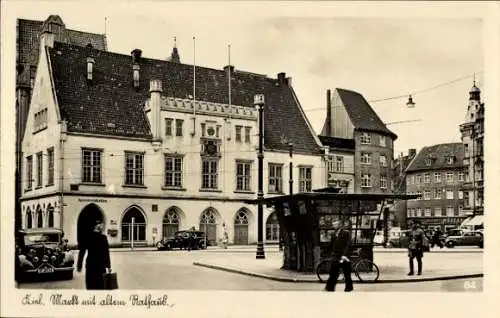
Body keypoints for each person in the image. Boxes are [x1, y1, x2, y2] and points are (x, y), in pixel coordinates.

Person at [77, 220, 111, 290]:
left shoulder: (88, 237)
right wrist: (108, 266)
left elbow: (82, 252)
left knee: (90, 286)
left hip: (90, 266)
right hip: (100, 267)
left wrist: (79, 265)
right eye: (101, 225)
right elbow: (106, 253)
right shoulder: (103, 238)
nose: (102, 226)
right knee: (101, 287)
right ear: (97, 226)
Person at [325, 218, 353, 292]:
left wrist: (344, 255)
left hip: (344, 256)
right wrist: (329, 252)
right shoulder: (333, 234)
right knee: (333, 272)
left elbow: (348, 245)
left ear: (339, 225)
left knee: (347, 273)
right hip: (335, 256)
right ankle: (330, 287)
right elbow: (332, 245)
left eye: (335, 224)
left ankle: (349, 288)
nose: (334, 225)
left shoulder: (345, 233)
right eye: (333, 224)